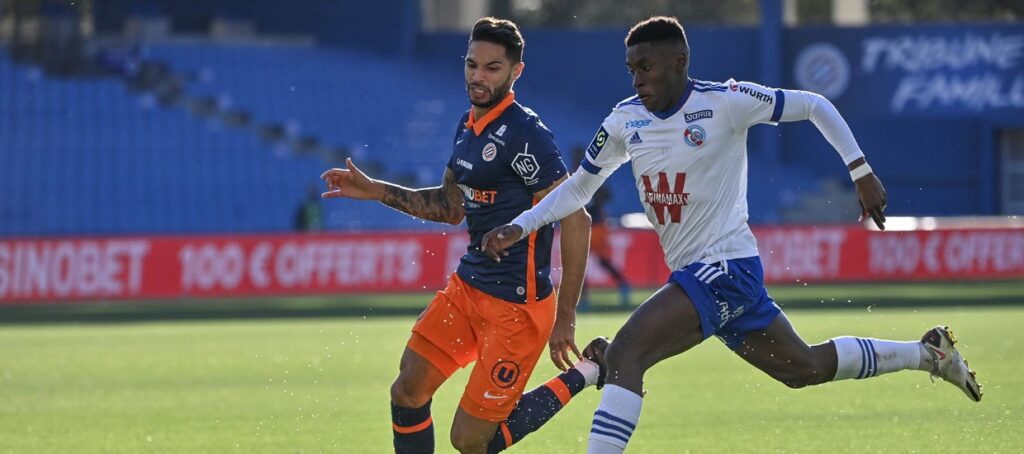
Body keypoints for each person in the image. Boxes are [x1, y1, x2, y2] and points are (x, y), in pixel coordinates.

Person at [481, 16, 982, 453]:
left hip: (725, 267)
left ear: (679, 61)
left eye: (647, 67)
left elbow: (814, 105)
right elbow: (578, 189)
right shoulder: (624, 121)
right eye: (631, 69)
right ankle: (928, 353)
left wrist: (860, 169)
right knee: (803, 368)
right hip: (705, 277)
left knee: (626, 353)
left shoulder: (726, 102)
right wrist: (521, 224)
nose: (638, 79)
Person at [321, 17, 608, 454]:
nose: (478, 76)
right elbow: (449, 206)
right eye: (472, 64)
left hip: (517, 308)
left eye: (492, 68)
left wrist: (565, 313)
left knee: (470, 441)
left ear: (516, 72)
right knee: (407, 390)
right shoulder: (467, 127)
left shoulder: (527, 134)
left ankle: (588, 371)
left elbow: (576, 219)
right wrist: (377, 191)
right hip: (468, 288)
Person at [572, 146, 631, 310]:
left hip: (596, 225)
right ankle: (584, 298)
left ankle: (622, 284)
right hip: (583, 226)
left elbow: (606, 196)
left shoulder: (593, 174)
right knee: (580, 263)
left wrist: (594, 193)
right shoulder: (575, 175)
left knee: (600, 261)